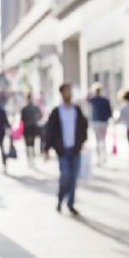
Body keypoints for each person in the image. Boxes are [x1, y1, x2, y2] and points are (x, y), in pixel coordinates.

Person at [43, 83, 89, 215]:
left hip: (75, 149)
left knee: (74, 177)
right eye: (66, 91)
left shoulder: (77, 110)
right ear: (62, 94)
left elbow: (83, 127)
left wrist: (81, 142)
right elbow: (50, 131)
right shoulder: (56, 112)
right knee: (65, 176)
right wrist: (47, 148)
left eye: (70, 91)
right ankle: (60, 198)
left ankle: (70, 203)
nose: (69, 94)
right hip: (62, 150)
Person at [88, 84, 112, 167]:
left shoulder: (93, 99)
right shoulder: (105, 100)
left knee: (97, 140)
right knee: (103, 140)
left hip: (95, 122)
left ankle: (98, 159)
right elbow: (110, 112)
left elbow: (86, 99)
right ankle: (104, 157)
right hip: (103, 122)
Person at [20, 93, 43, 161]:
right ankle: (32, 156)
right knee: (32, 142)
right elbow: (40, 115)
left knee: (27, 143)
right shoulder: (35, 107)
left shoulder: (25, 108)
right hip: (33, 127)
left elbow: (22, 119)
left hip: (27, 127)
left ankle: (29, 157)